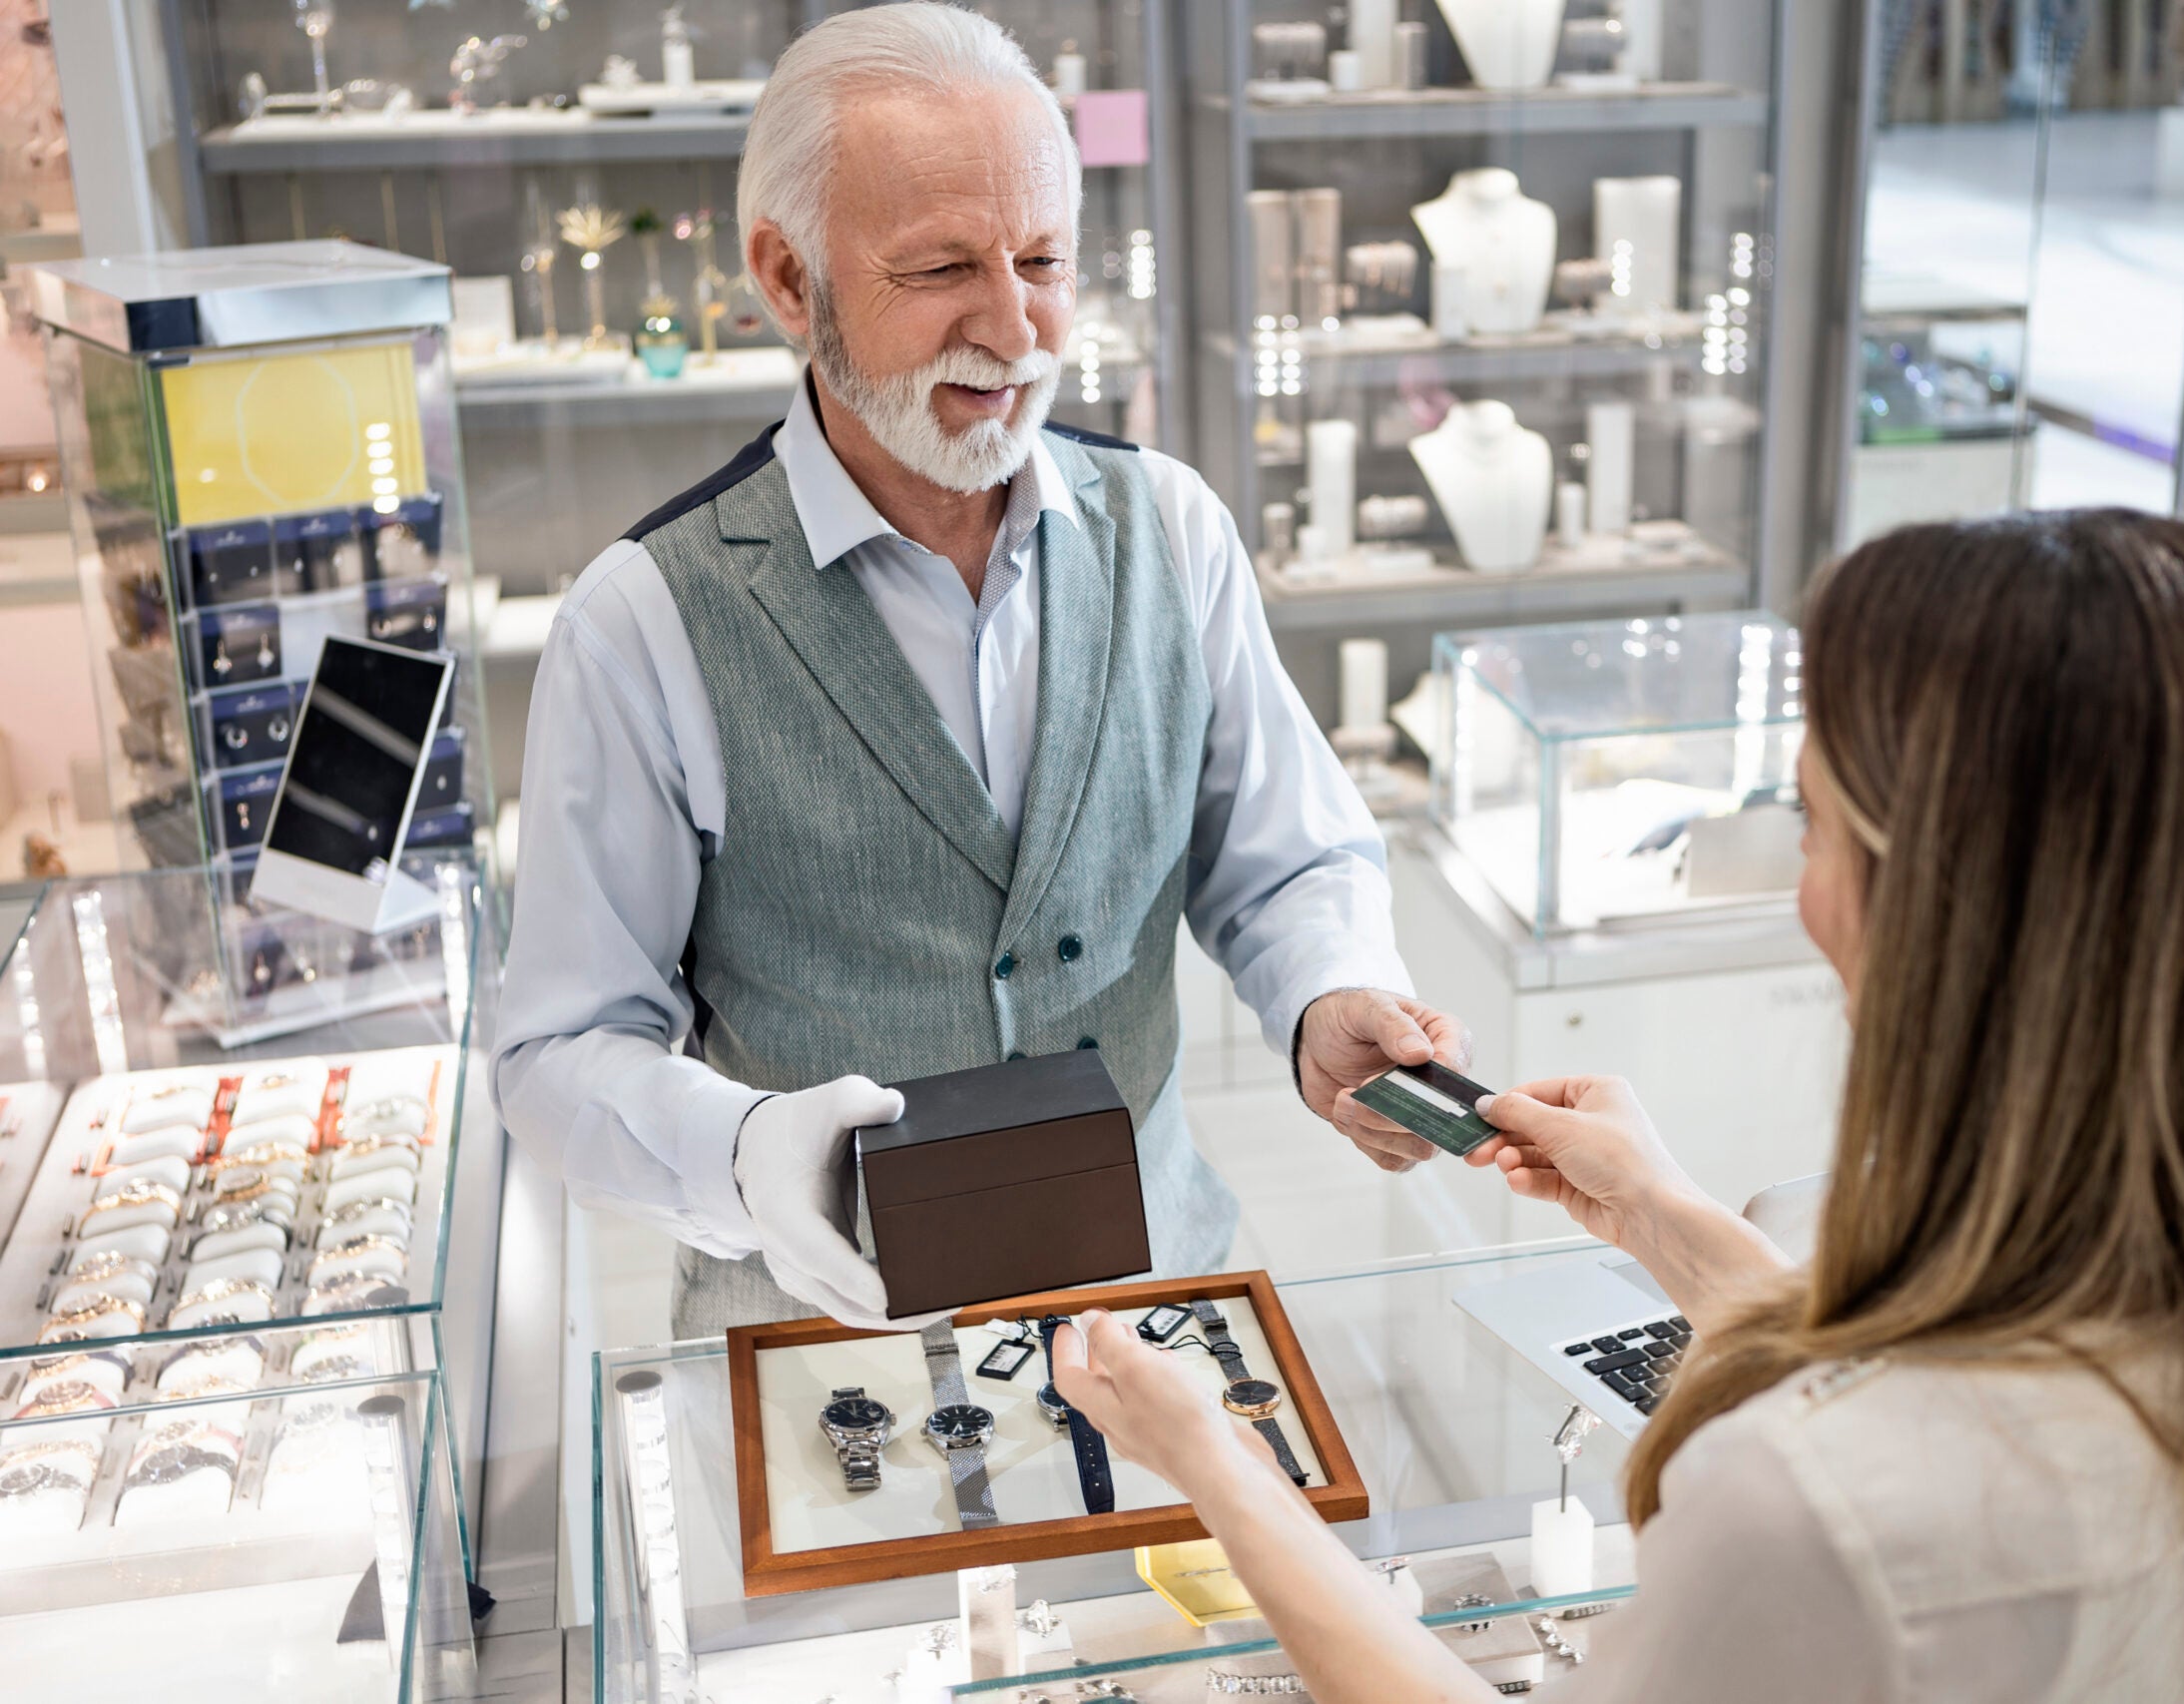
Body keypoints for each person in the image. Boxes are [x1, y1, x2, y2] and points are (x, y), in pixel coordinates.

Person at [1056, 511, 2184, 1702]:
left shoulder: (1806, 1510)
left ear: (1950, 917)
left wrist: (1220, 1465)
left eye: (1814, 827)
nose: (1802, 892)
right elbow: (1960, 1390)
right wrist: (1663, 1219)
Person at [492, 4, 1467, 1337]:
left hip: (1158, 1312)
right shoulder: (644, 623)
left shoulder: (1171, 531)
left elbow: (1283, 858)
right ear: (789, 282)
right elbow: (555, 1052)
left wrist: (1327, 994)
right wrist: (745, 1155)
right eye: (943, 267)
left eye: (1044, 260)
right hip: (824, 1370)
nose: (1015, 332)